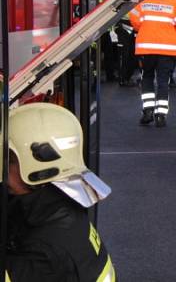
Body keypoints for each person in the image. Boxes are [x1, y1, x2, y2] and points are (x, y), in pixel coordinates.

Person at [3, 102, 115, 281]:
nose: (3, 168)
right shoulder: (59, 205)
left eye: (8, 160)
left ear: (36, 170)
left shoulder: (44, 252)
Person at [129, 0, 176, 127]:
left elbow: (134, 18)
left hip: (146, 49)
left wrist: (142, 29)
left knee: (147, 78)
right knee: (163, 81)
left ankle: (147, 111)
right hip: (167, 50)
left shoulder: (146, 2)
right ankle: (161, 115)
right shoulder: (173, 3)